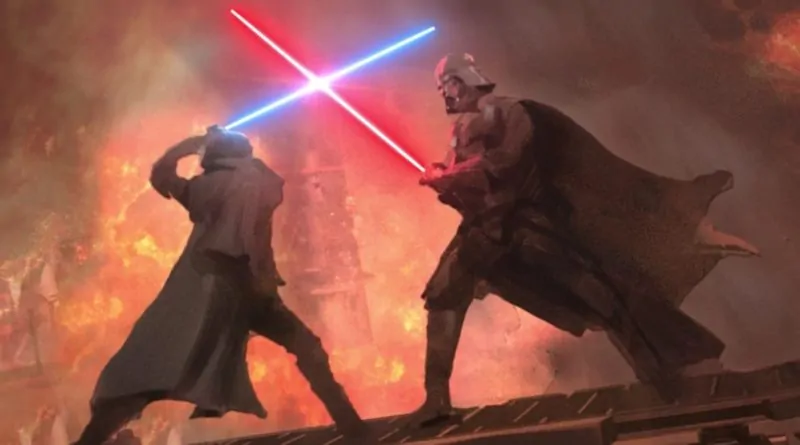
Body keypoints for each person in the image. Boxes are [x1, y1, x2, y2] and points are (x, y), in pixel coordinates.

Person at [412, 53, 759, 425]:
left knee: (602, 298)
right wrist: (441, 174)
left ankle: (678, 373)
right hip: (485, 232)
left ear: (465, 79)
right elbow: (464, 176)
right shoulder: (461, 130)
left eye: (448, 84)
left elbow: (505, 163)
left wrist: (452, 176)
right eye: (441, 88)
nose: (445, 94)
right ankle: (437, 400)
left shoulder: (509, 112)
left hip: (528, 229)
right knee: (443, 293)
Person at [73, 127, 368, 444]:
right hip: (231, 294)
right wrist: (199, 146)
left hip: (231, 293)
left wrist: (185, 147)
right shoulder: (252, 180)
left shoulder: (212, 186)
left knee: (164, 369)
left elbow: (161, 176)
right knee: (305, 349)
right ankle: (352, 426)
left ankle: (352, 427)